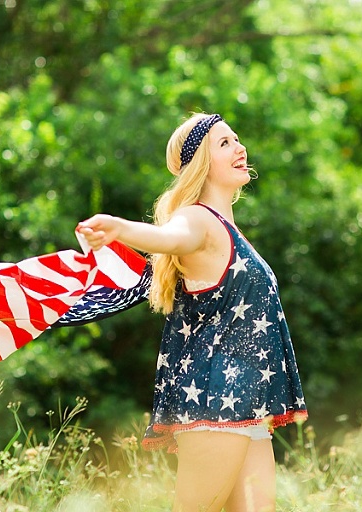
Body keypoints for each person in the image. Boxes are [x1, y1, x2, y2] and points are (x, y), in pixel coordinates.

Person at [77, 113, 307, 512]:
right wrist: (120, 228)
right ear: (201, 163)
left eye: (237, 139)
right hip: (216, 399)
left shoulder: (228, 228)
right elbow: (171, 237)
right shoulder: (197, 218)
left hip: (247, 403)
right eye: (224, 143)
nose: (239, 148)